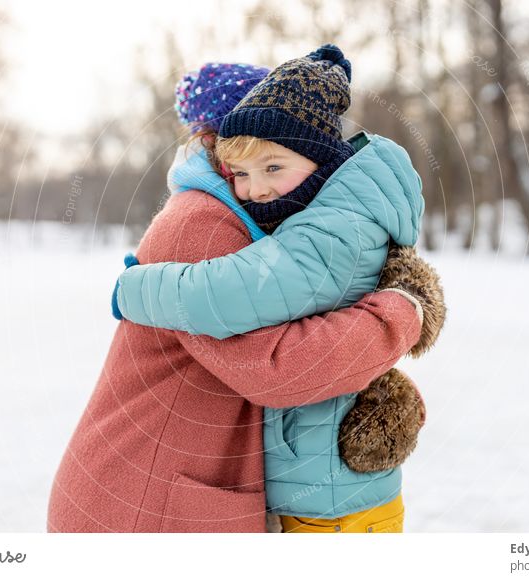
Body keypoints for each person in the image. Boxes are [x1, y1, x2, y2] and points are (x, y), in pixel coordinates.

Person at [46, 57, 428, 533]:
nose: (258, 184)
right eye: (246, 164)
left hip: (162, 495)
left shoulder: (257, 222)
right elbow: (281, 369)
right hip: (144, 501)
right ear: (218, 143)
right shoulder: (203, 225)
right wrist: (403, 312)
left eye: (275, 159)